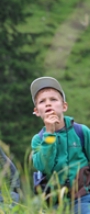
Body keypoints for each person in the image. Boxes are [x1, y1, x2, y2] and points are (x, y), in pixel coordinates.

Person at [30, 76, 90, 213]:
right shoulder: (38, 139)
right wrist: (50, 134)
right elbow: (44, 166)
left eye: (53, 99)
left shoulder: (81, 132)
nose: (48, 104)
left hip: (84, 198)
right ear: (37, 111)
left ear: (64, 106)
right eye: (42, 101)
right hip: (55, 203)